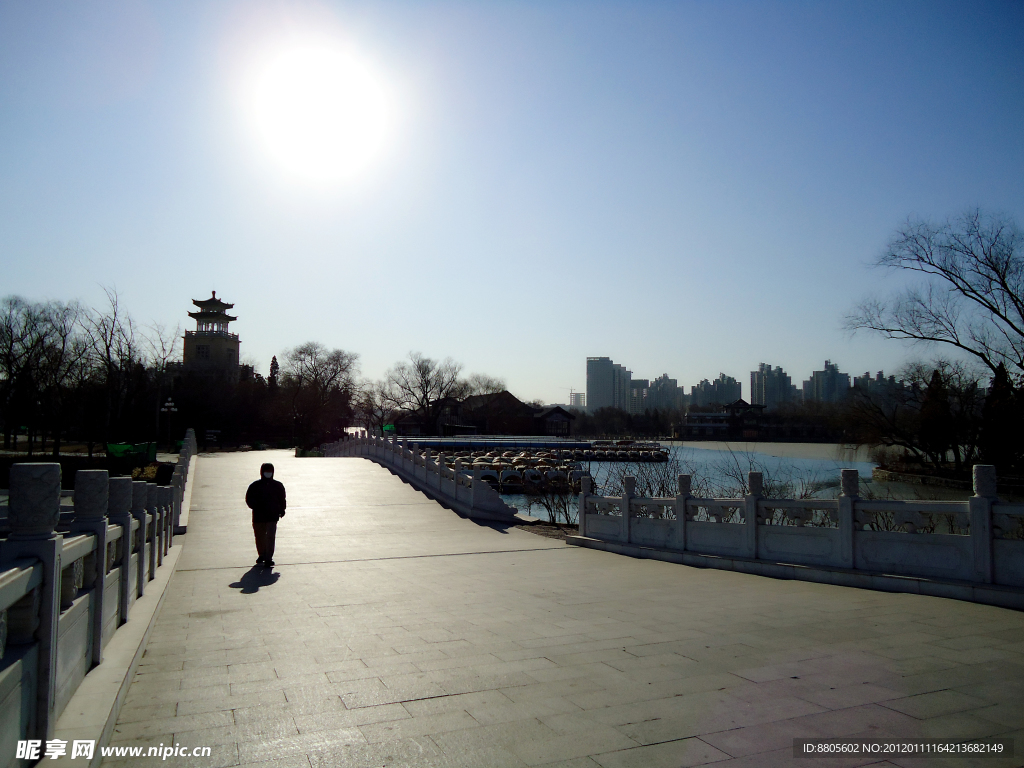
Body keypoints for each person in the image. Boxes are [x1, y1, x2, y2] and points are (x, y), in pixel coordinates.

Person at [245, 462, 286, 567]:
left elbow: (282, 499)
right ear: (261, 472)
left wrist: (282, 510)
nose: (268, 473)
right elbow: (249, 499)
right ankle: (262, 554)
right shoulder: (255, 486)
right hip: (259, 516)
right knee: (259, 536)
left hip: (272, 515)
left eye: (270, 471)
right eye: (266, 471)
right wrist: (256, 506)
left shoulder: (278, 486)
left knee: (270, 537)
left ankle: (269, 557)